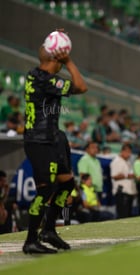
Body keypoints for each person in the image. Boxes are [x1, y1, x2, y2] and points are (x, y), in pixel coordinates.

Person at [22, 31, 88, 254]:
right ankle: (31, 240)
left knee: (67, 184)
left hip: (49, 138)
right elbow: (81, 86)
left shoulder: (34, 75)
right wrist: (68, 61)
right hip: (39, 141)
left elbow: (44, 60)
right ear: (55, 60)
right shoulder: (49, 81)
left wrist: (53, 46)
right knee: (46, 190)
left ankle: (48, 230)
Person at [110, 143, 137, 219]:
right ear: (122, 151)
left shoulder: (127, 161)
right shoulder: (117, 161)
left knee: (128, 215)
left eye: (130, 152)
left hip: (128, 192)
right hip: (122, 192)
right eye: (128, 152)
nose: (129, 154)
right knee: (123, 215)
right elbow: (114, 176)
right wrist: (127, 175)